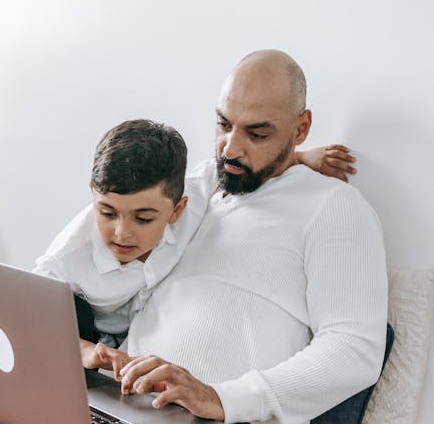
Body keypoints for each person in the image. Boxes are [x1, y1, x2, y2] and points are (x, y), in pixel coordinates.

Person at [0, 49, 386, 424]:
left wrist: (221, 397)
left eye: (258, 133)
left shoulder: (333, 208)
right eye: (223, 125)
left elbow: (356, 349)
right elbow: (83, 248)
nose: (231, 147)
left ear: (301, 127)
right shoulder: (196, 189)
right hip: (117, 402)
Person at [33, 118, 356, 375]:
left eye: (143, 219)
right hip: (84, 336)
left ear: (177, 210)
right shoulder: (68, 256)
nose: (122, 233)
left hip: (134, 336)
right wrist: (86, 351)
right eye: (107, 213)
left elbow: (238, 167)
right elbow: (23, 317)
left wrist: (302, 157)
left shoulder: (196, 195)